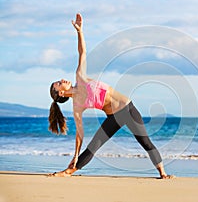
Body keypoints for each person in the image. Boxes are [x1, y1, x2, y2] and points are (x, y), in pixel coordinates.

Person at [48, 13, 173, 179]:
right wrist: (75, 154)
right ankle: (68, 172)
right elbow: (80, 134)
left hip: (128, 109)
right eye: (59, 83)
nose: (62, 80)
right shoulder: (77, 106)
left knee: (145, 142)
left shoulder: (80, 77)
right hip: (113, 117)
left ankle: (163, 174)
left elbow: (82, 52)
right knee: (94, 145)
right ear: (61, 93)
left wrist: (79, 31)